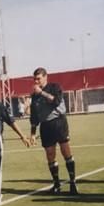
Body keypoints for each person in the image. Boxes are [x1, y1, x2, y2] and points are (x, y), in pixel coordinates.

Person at [29, 67, 78, 195]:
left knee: (66, 151)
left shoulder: (55, 87)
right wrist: (33, 134)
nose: (36, 81)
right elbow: (34, 115)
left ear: (46, 77)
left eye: (38, 78)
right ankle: (56, 184)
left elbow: (55, 101)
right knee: (50, 155)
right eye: (35, 79)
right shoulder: (34, 95)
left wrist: (41, 93)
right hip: (45, 126)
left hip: (59, 122)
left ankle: (73, 182)